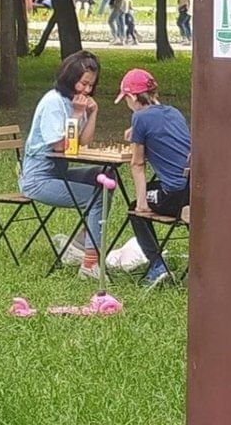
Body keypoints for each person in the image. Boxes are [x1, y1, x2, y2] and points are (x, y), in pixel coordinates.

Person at [20, 51, 110, 278]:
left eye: (91, 85)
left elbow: (84, 142)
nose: (87, 90)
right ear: (71, 79)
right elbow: (61, 147)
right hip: (39, 179)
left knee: (105, 177)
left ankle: (81, 243)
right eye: (83, 84)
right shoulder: (53, 102)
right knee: (95, 196)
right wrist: (78, 113)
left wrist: (93, 113)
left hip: (59, 172)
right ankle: (90, 264)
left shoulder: (75, 103)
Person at [119, 68, 190, 290]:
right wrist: (136, 130)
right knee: (155, 192)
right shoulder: (174, 112)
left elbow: (137, 164)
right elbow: (161, 131)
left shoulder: (139, 117)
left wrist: (142, 203)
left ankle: (157, 265)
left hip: (174, 194)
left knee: (135, 210)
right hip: (194, 188)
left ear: (131, 97)